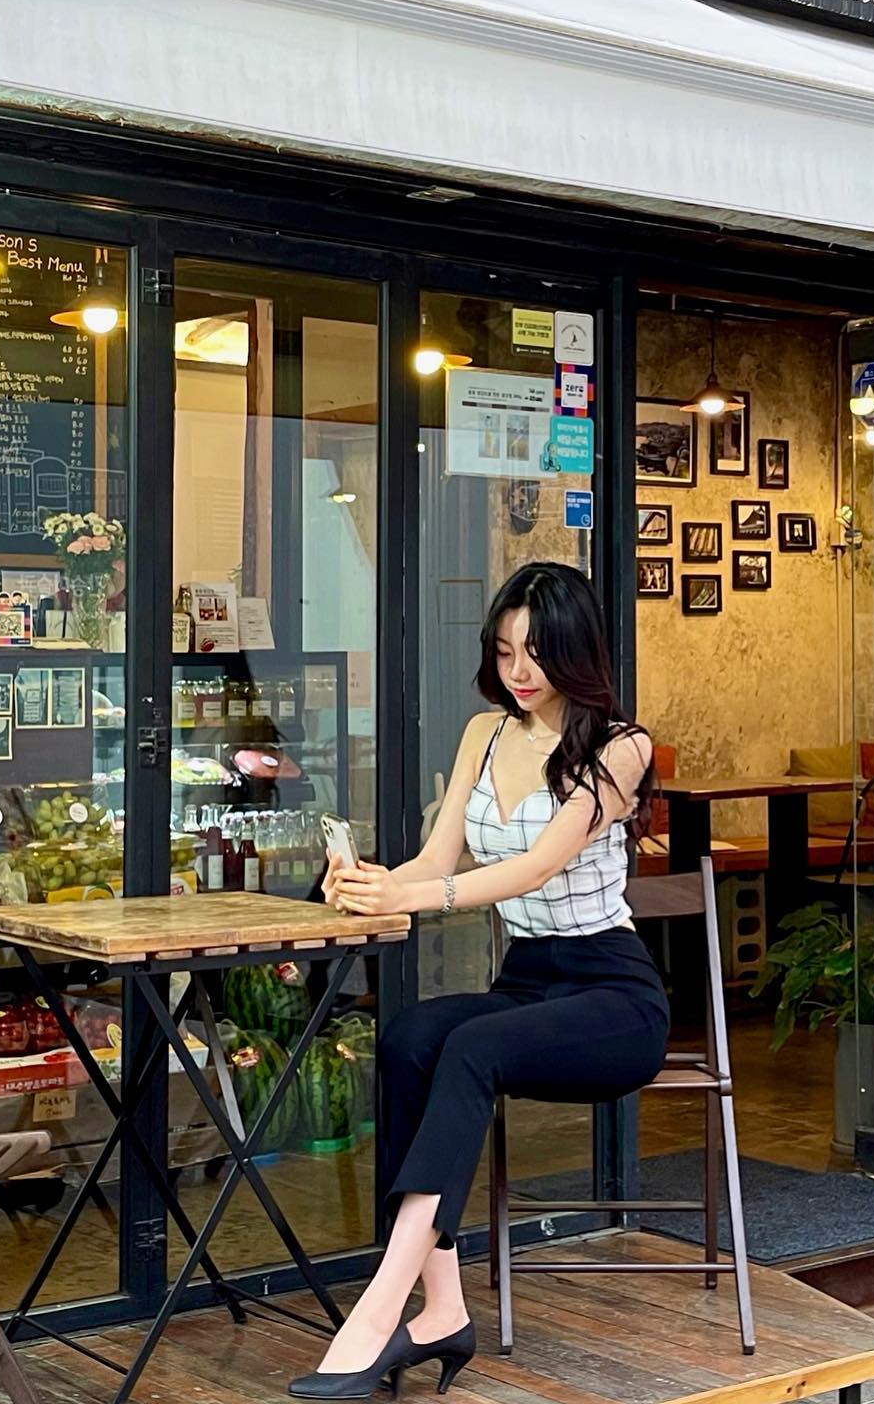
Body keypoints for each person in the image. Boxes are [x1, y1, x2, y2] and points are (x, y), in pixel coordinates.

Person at [289, 562, 668, 1400]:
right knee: (410, 1038)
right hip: (527, 980)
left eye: (536, 652)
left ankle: (380, 1304)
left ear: (576, 650)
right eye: (504, 652)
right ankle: (442, 1307)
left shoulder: (621, 747)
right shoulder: (483, 735)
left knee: (471, 1047)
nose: (519, 671)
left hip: (612, 995)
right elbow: (437, 858)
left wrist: (416, 899)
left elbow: (535, 869)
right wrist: (372, 884)